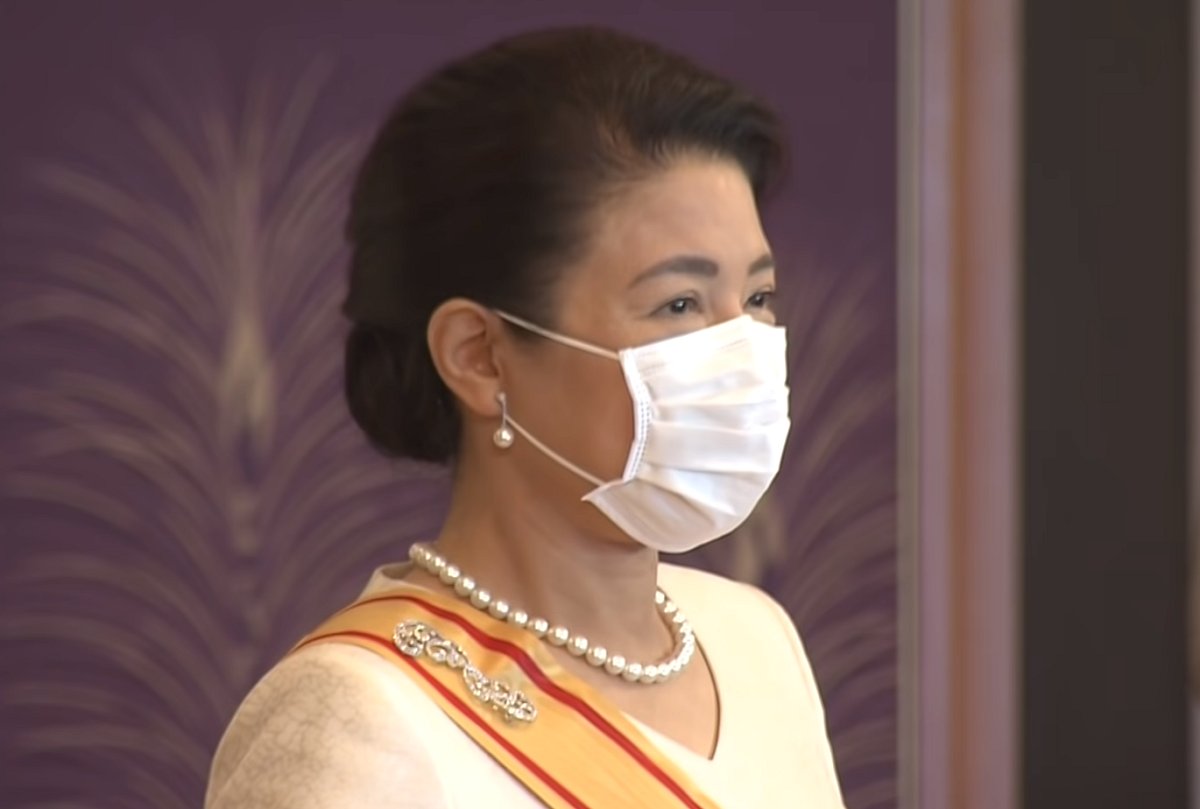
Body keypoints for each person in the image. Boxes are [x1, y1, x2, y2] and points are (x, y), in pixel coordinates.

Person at [205, 25, 845, 808]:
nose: (740, 348)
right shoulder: (357, 719)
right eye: (678, 303)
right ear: (480, 354)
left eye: (756, 298)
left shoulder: (755, 640)